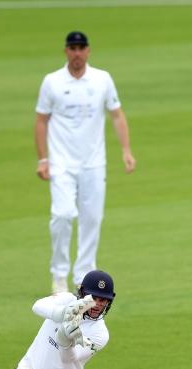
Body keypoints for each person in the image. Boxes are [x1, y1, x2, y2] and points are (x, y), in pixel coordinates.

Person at [35, 31, 136, 295]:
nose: (77, 52)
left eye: (81, 48)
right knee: (62, 214)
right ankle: (59, 275)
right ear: (66, 51)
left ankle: (82, 276)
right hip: (62, 164)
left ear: (88, 51)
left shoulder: (102, 79)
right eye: (73, 48)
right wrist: (43, 159)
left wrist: (126, 150)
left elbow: (116, 115)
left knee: (92, 219)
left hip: (93, 163)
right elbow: (41, 120)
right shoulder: (52, 81)